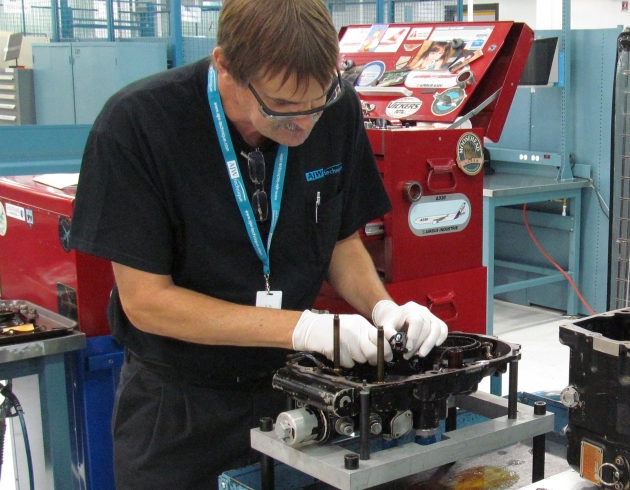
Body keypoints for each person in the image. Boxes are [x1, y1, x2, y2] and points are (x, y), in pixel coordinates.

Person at [67, 1, 449, 488]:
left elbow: (339, 239)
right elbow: (146, 302)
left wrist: (383, 308)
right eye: (282, 106)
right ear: (225, 66)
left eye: (318, 101)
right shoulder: (138, 124)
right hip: (181, 407)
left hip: (296, 389)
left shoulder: (337, 109)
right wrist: (305, 328)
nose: (305, 123)